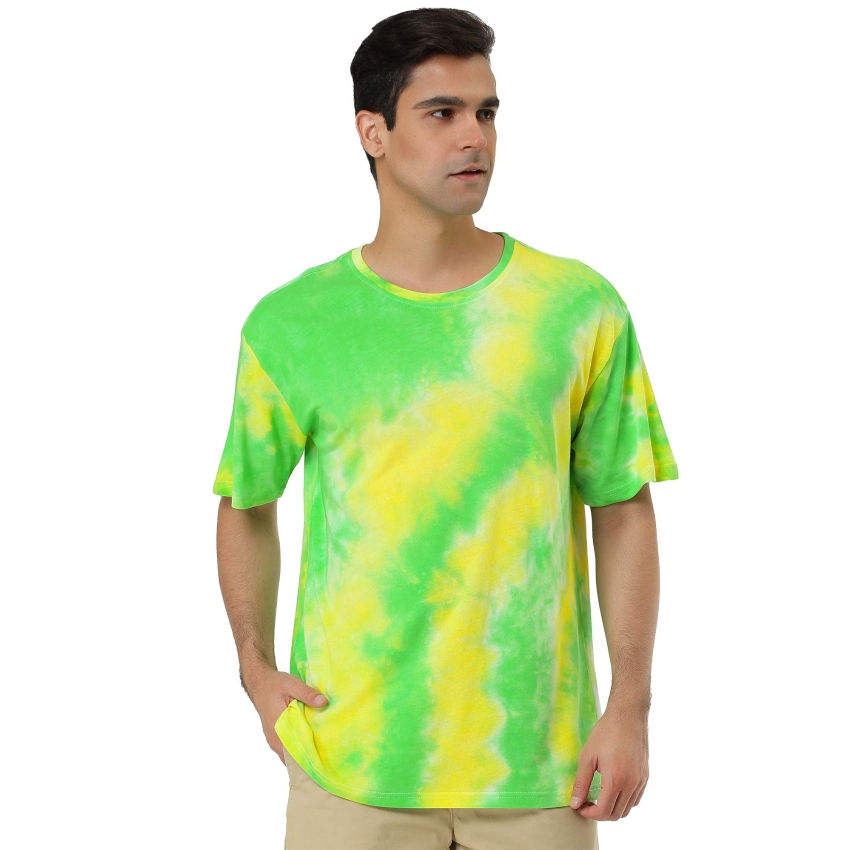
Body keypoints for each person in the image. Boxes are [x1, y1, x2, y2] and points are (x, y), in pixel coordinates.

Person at [213, 8, 678, 849]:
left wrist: (630, 708)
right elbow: (246, 504)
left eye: (487, 112)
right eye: (443, 113)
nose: (475, 137)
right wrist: (254, 669)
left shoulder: (576, 308)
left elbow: (622, 508)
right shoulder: (291, 324)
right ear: (374, 132)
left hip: (541, 769)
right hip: (350, 764)